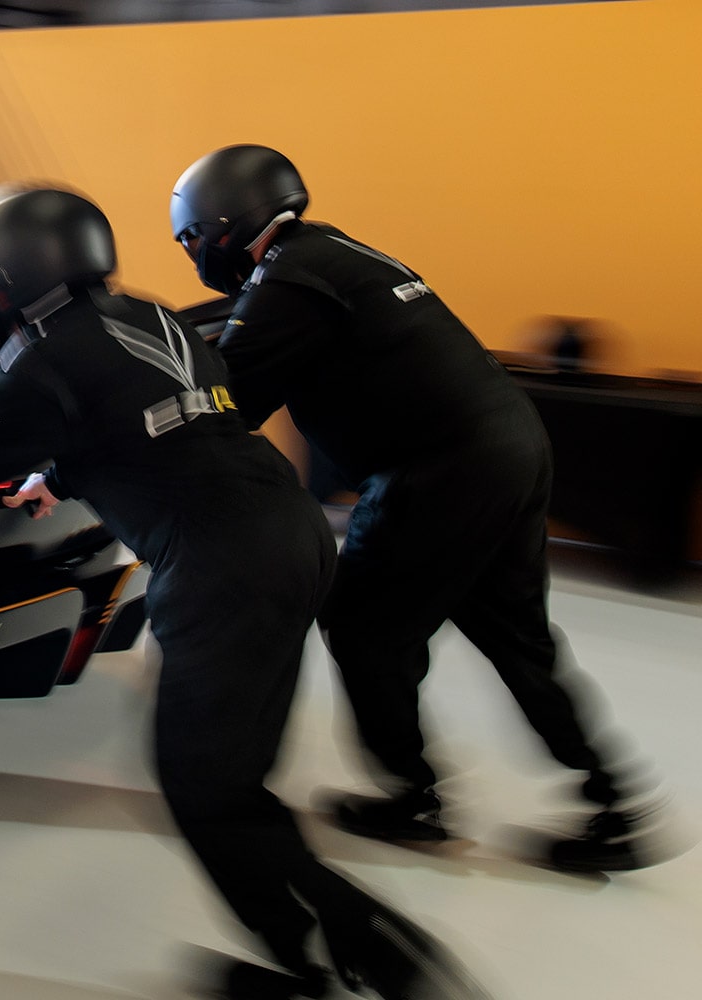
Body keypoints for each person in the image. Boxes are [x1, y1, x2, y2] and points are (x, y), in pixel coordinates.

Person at [0, 184, 487, 1000]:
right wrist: (60, 474)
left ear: (2, 280)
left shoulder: (44, 363)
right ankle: (310, 955)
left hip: (223, 563)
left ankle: (374, 957)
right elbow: (156, 414)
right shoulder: (148, 316)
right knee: (233, 776)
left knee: (207, 788)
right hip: (293, 533)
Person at [169, 144, 667, 873]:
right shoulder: (334, 251)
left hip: (439, 470)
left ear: (218, 226)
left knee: (364, 628)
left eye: (190, 240)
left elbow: (228, 405)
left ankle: (412, 798)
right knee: (518, 638)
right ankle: (614, 805)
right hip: (510, 446)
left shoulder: (287, 283)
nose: (193, 254)